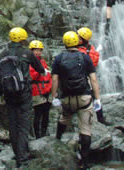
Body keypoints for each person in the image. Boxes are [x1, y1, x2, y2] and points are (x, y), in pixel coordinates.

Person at [0, 27, 47, 168]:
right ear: (23, 39)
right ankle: (22, 157)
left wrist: (0, 94)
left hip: (8, 93)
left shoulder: (2, 54)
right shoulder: (26, 53)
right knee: (24, 124)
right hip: (24, 93)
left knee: (13, 124)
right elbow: (40, 70)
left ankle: (16, 153)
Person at [51, 31, 101, 169]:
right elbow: (93, 79)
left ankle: (57, 142)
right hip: (84, 97)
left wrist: (54, 96)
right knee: (85, 129)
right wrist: (97, 99)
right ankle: (84, 162)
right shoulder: (84, 57)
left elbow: (54, 79)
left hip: (66, 98)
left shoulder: (58, 58)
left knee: (63, 119)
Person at [77, 27, 105, 124]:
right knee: (93, 98)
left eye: (79, 38)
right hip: (88, 76)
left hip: (84, 77)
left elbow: (93, 62)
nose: (77, 39)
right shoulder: (90, 48)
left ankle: (97, 119)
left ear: (83, 40)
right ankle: (100, 118)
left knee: (89, 97)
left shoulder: (84, 50)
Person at [29, 40, 52, 139]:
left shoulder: (42, 61)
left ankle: (44, 132)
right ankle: (37, 135)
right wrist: (41, 71)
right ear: (32, 51)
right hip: (36, 91)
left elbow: (47, 76)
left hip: (46, 90)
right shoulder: (29, 62)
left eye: (39, 50)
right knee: (38, 113)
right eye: (36, 50)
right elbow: (31, 76)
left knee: (46, 113)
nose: (38, 52)